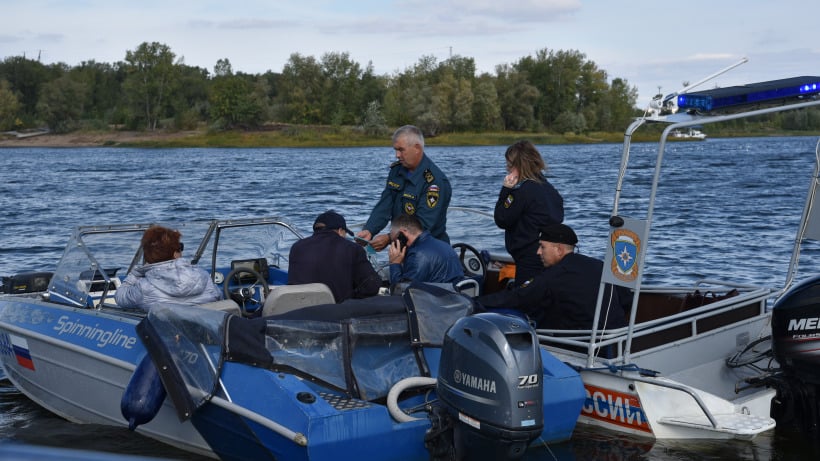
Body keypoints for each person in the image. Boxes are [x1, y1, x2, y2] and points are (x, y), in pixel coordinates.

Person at [474, 223, 628, 331]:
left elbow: (518, 297)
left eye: (542, 247)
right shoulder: (599, 265)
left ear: (559, 250)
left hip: (579, 343)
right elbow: (626, 299)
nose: (538, 252)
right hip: (614, 339)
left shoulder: (555, 275)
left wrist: (475, 303)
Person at [356, 125, 452, 251]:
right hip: (401, 249)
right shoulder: (396, 171)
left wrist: (390, 238)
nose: (397, 155)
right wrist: (369, 229)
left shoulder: (434, 182)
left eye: (401, 150)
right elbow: (385, 206)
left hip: (430, 252)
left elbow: (423, 224)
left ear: (417, 148)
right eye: (395, 150)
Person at [494, 140, 564, 286]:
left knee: (525, 297)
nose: (507, 169)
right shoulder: (551, 191)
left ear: (519, 166)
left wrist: (506, 190)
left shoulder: (522, 192)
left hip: (528, 258)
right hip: (549, 255)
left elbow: (501, 219)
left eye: (510, 165)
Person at [115, 225, 222, 311]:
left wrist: (136, 274)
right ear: (175, 253)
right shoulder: (203, 275)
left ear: (148, 255)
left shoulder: (143, 287)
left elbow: (119, 297)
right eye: (180, 247)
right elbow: (218, 296)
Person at [288, 210, 382, 303]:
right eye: (345, 233)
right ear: (340, 231)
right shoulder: (352, 248)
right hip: (337, 313)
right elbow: (372, 287)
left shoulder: (297, 247)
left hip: (301, 310)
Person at [387, 213, 464, 287]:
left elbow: (400, 290)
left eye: (395, 240)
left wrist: (395, 263)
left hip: (439, 298)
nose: (395, 245)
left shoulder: (417, 255)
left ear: (402, 234)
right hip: (454, 296)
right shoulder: (445, 245)